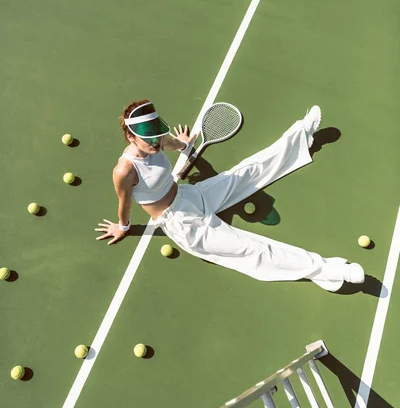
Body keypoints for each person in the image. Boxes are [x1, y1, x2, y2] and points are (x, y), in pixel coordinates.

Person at [95, 100, 365, 292]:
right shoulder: (124, 170)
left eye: (157, 136)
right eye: (149, 140)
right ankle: (330, 271)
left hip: (191, 196)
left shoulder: (157, 138)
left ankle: (301, 135)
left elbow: (174, 144)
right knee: (253, 248)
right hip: (183, 225)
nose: (155, 143)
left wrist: (184, 143)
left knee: (247, 171)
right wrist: (124, 227)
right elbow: (125, 202)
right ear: (131, 137)